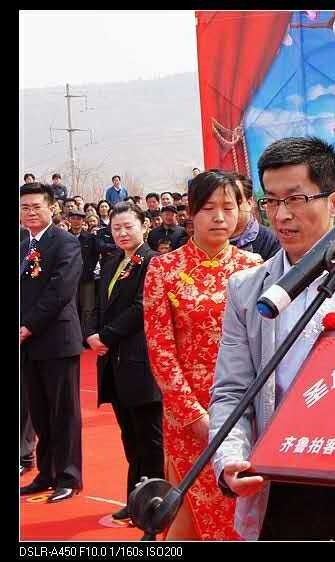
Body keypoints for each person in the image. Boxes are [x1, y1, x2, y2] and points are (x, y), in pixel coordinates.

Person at [209, 136, 335, 541]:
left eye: (295, 199)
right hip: (277, 480)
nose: (281, 215)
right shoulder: (247, 290)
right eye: (271, 201)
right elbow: (232, 390)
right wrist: (231, 456)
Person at [143, 170, 262, 540]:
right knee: (190, 512)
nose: (219, 217)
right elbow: (160, 349)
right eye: (209, 208)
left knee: (241, 508)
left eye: (229, 207)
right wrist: (193, 414)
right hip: (188, 416)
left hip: (243, 412)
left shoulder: (254, 267)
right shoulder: (164, 269)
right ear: (191, 212)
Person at [86, 202, 163, 522]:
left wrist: (106, 335)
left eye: (128, 226)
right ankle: (135, 499)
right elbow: (100, 304)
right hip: (115, 365)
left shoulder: (153, 262)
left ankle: (156, 502)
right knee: (130, 437)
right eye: (116, 227)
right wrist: (91, 332)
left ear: (144, 226)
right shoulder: (113, 261)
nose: (122, 233)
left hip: (140, 362)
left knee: (150, 439)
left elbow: (142, 306)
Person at [19, 182, 84, 504]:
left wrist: (27, 325)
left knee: (64, 412)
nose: (30, 212)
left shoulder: (65, 242)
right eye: (24, 207)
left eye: (36, 206)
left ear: (51, 208)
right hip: (28, 344)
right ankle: (46, 473)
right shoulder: (23, 245)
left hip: (57, 339)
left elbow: (60, 290)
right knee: (39, 411)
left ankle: (69, 476)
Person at [229, 173, 281, 261]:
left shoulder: (272, 241)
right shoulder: (208, 241)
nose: (220, 214)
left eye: (229, 204)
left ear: (249, 203)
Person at [67, 209, 99, 335]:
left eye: (79, 219)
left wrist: (89, 268)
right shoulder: (64, 237)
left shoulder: (90, 238)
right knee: (71, 307)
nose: (76, 221)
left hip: (86, 278)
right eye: (73, 218)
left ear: (83, 221)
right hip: (69, 279)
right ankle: (72, 334)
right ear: (69, 220)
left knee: (88, 308)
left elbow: (95, 254)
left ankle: (86, 334)